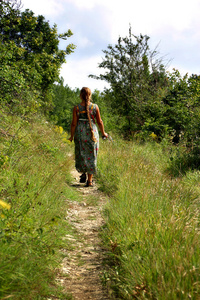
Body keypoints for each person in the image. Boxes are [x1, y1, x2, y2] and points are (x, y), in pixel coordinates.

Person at [69, 87, 108, 187]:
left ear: (80, 95)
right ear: (90, 95)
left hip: (80, 133)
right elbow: (99, 122)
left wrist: (71, 136)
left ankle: (83, 173)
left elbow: (73, 124)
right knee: (91, 155)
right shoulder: (95, 107)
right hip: (92, 133)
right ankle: (89, 181)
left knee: (81, 153)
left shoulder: (76, 108)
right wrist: (103, 133)